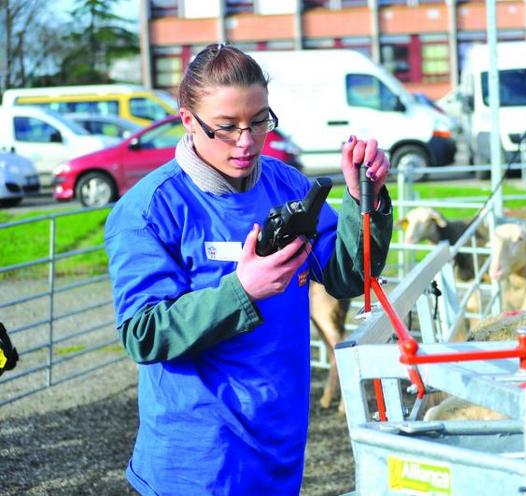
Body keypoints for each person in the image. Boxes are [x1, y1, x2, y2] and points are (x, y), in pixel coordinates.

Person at [104, 43, 393, 495]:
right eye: (226, 127)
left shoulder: (287, 184)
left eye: (259, 122)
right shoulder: (149, 211)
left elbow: (347, 275)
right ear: (187, 120)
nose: (246, 141)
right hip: (200, 460)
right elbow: (143, 333)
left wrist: (365, 200)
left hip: (280, 444)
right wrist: (241, 290)